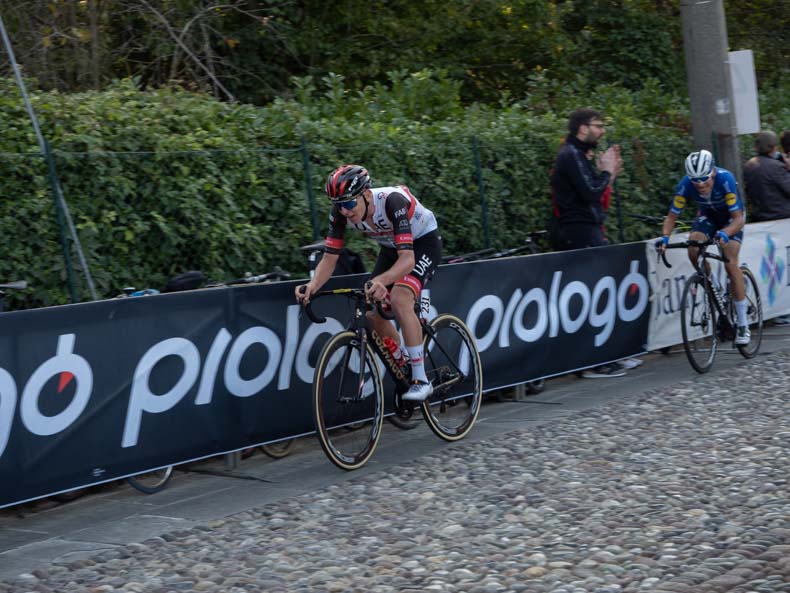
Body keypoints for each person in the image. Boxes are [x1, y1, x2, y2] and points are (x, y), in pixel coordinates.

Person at [295, 164, 442, 402]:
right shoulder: (341, 213)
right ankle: (402, 361)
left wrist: (382, 280)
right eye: (339, 205)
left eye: (349, 204)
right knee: (372, 313)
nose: (344, 211)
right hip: (391, 248)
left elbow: (408, 259)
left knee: (399, 298)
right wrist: (312, 286)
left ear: (365, 194)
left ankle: (420, 379)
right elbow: (330, 258)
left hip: (422, 244)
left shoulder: (392, 202)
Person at [549, 108, 627, 378]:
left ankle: (605, 355)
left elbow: (596, 191)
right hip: (577, 232)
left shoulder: (577, 154)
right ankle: (590, 362)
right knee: (588, 296)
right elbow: (592, 192)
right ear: (583, 128)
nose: (602, 130)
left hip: (588, 229)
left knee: (600, 292)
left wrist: (609, 174)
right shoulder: (569, 155)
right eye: (598, 125)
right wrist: (606, 173)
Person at [656, 149, 751, 345]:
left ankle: (742, 324)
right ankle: (712, 284)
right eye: (695, 180)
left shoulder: (726, 179)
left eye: (704, 178)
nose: (700, 184)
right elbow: (672, 216)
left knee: (730, 263)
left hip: (731, 219)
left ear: (713, 171)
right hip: (707, 216)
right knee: (693, 248)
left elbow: (738, 219)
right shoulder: (686, 184)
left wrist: (725, 233)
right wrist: (665, 238)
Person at [743, 130, 790, 222]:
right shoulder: (776, 167)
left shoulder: (749, 165)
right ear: (774, 147)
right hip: (781, 217)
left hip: (759, 216)